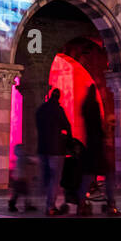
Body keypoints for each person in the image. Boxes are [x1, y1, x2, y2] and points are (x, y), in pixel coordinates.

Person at [79, 84, 121, 216]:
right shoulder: (94, 107)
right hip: (97, 149)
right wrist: (107, 130)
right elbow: (97, 127)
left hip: (89, 147)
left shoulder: (85, 107)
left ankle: (81, 203)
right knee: (109, 176)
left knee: (87, 177)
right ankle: (111, 205)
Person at [34, 87, 72, 216]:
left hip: (42, 148)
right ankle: (50, 206)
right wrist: (69, 140)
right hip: (56, 149)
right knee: (55, 179)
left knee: (45, 176)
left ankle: (39, 201)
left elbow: (37, 124)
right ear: (58, 97)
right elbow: (67, 126)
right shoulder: (58, 110)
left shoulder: (41, 109)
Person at [8, 142, 37, 213]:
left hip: (17, 178)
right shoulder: (23, 157)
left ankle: (12, 205)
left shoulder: (18, 158)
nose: (25, 149)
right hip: (22, 178)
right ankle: (25, 205)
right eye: (23, 148)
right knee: (26, 192)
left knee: (17, 192)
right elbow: (33, 161)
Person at [60, 136, 84, 214]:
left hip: (71, 181)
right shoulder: (72, 161)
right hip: (73, 180)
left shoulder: (69, 162)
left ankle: (72, 198)